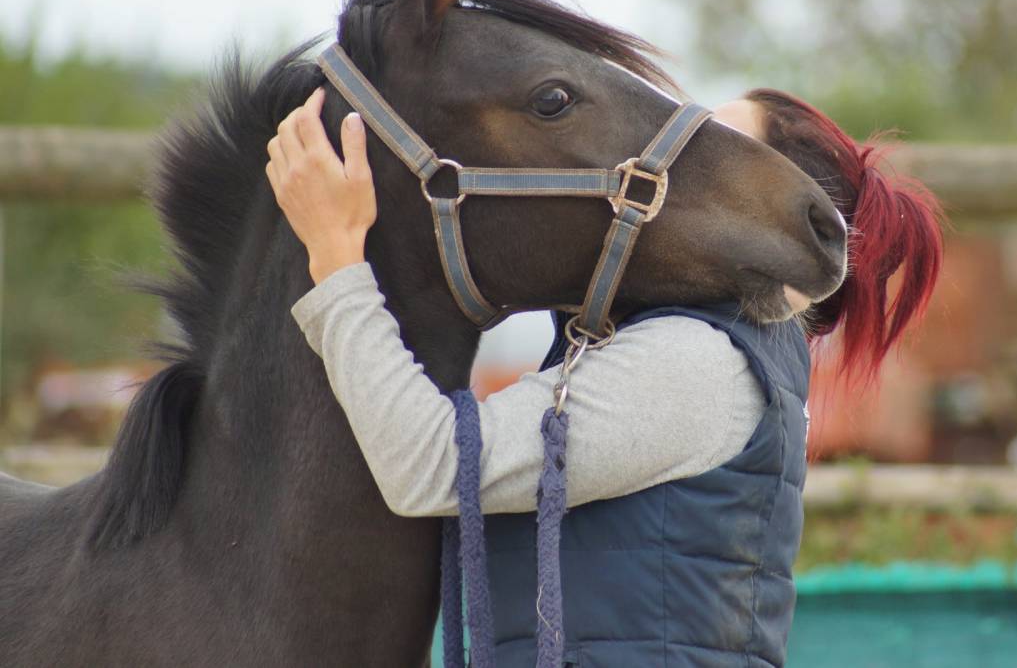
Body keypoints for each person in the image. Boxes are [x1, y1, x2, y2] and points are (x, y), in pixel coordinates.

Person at [267, 85, 941, 666]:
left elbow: (435, 464)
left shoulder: (697, 361)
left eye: (717, 145)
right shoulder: (714, 347)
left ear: (775, 219)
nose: (673, 151)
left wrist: (336, 255)